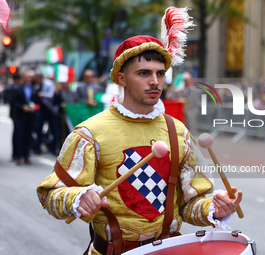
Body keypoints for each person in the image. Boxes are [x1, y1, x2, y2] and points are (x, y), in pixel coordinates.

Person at [37, 8, 242, 255]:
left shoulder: (178, 131)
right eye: (144, 73)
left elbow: (190, 204)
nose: (155, 81)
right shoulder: (90, 133)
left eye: (160, 73)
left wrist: (216, 208)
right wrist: (78, 198)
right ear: (121, 79)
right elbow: (50, 195)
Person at [12, 70, 40, 165]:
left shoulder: (35, 89)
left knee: (28, 136)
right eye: (26, 77)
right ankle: (18, 156)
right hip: (20, 116)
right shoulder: (18, 89)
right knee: (19, 136)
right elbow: (13, 102)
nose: (28, 79)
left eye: (29, 77)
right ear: (23, 78)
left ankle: (26, 156)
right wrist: (22, 107)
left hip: (31, 117)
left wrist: (34, 108)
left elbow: (38, 102)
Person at [3, 74, 22, 161]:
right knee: (16, 134)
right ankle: (15, 154)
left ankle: (20, 154)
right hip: (15, 114)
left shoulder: (22, 88)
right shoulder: (10, 88)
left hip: (23, 115)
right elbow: (8, 99)